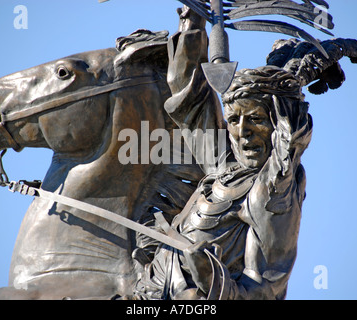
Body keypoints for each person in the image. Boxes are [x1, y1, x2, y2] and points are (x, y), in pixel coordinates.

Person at [132, 6, 313, 300]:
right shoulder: (223, 164)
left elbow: (263, 292)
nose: (242, 131)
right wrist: (192, 23)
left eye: (255, 119)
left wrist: (210, 278)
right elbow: (186, 92)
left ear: (277, 126)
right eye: (233, 120)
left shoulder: (270, 193)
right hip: (145, 288)